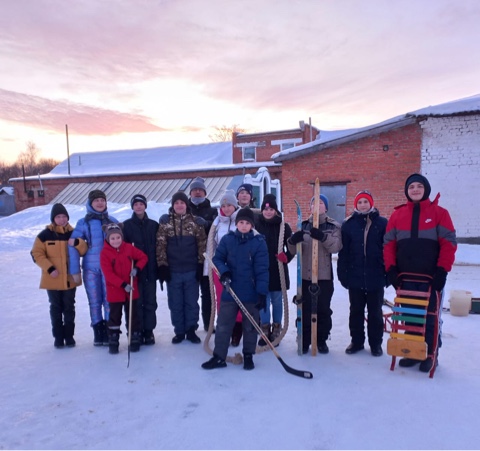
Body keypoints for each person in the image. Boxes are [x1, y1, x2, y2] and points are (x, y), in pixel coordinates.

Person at [384, 173, 457, 372]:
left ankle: (430, 354)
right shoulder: (397, 215)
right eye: (411, 187)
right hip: (404, 277)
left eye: (419, 186)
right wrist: (390, 269)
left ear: (426, 189)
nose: (415, 189)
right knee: (410, 315)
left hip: (430, 278)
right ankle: (413, 351)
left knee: (429, 316)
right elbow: (388, 244)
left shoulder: (440, 213)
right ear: (406, 191)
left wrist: (442, 270)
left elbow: (449, 243)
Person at [202, 207, 269, 371]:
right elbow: (218, 259)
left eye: (247, 223)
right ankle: (219, 356)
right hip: (230, 290)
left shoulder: (259, 242)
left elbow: (262, 269)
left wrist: (261, 292)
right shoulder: (227, 240)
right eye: (241, 222)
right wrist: (224, 272)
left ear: (252, 225)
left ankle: (248, 355)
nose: (244, 226)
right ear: (236, 224)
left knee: (250, 327)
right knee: (224, 324)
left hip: (250, 292)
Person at [287, 193, 342, 354]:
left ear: (326, 207)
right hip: (304, 276)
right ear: (310, 207)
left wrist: (323, 237)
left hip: (324, 276)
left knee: (323, 310)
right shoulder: (302, 225)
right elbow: (292, 251)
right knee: (304, 309)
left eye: (321, 203)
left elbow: (336, 247)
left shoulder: (334, 226)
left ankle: (321, 340)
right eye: (314, 203)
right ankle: (304, 339)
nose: (317, 206)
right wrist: (292, 241)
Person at [337, 191, 387, 357]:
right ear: (355, 205)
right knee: (356, 311)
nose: (363, 205)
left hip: (376, 277)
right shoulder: (348, 224)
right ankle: (357, 342)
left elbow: (388, 250)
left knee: (375, 313)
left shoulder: (382, 223)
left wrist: (387, 273)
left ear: (371, 203)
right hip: (355, 276)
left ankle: (375, 344)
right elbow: (343, 252)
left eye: (366, 202)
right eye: (360, 202)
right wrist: (342, 273)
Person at [31, 203, 87, 348]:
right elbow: (36, 254)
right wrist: (49, 268)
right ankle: (58, 337)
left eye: (64, 216)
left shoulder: (73, 233)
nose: (61, 219)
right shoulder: (45, 235)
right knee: (55, 307)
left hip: (70, 278)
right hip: (53, 279)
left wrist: (77, 243)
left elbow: (84, 249)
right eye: (58, 217)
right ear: (53, 219)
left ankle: (69, 336)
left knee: (69, 307)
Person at [68, 189, 118, 346]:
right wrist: (75, 270)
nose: (100, 203)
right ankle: (98, 331)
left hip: (110, 269)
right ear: (90, 203)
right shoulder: (83, 223)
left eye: (102, 200)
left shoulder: (112, 221)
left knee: (109, 300)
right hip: (91, 269)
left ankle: (111, 332)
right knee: (95, 301)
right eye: (96, 200)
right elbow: (72, 246)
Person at [156, 191, 207, 344]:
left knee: (191, 302)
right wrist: (162, 266)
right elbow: (160, 246)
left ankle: (191, 329)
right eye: (176, 203)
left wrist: (200, 265)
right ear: (173, 206)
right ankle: (179, 331)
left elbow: (202, 245)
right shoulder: (165, 223)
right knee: (175, 303)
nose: (179, 205)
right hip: (173, 271)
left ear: (187, 205)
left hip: (191, 270)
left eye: (182, 203)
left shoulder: (195, 223)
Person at [100, 223, 148, 354]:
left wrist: (137, 268)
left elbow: (143, 257)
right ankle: (113, 339)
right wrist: (122, 285)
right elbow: (108, 274)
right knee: (115, 316)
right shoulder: (105, 253)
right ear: (108, 239)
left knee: (133, 315)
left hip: (131, 289)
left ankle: (134, 337)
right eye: (113, 238)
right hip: (115, 291)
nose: (116, 241)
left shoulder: (129, 248)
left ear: (122, 237)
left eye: (118, 238)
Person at [254, 194, 293, 346]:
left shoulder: (283, 226)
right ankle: (265, 328)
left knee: (277, 300)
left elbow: (292, 246)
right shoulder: (256, 225)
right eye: (266, 208)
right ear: (262, 210)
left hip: (277, 270)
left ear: (276, 210)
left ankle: (277, 327)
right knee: (264, 300)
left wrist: (287, 256)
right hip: (261, 270)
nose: (268, 211)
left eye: (271, 209)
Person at [205, 189, 242, 344]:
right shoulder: (217, 223)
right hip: (220, 267)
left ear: (235, 206)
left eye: (229, 205)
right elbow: (211, 246)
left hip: (238, 267)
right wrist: (209, 268)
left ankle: (237, 331)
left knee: (238, 298)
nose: (227, 208)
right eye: (224, 205)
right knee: (222, 299)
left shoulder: (242, 221)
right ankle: (225, 329)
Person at [123, 194, 159, 345]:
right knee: (136, 303)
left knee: (150, 302)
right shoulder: (126, 226)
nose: (138, 206)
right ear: (132, 207)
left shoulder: (153, 225)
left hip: (150, 271)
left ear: (145, 206)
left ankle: (149, 331)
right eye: (136, 204)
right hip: (135, 272)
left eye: (141, 204)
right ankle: (135, 331)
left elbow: (159, 247)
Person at [187, 177, 218, 332]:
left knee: (208, 295)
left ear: (205, 193)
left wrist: (207, 224)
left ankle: (209, 323)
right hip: (189, 259)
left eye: (200, 190)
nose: (197, 192)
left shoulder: (212, 211)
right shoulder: (183, 209)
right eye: (194, 189)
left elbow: (217, 231)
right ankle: (190, 326)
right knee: (191, 296)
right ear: (190, 192)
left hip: (206, 259)